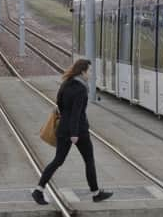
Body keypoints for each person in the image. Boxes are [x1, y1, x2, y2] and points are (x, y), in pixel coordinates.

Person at [32, 59, 113, 205]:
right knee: (89, 160)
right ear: (83, 72)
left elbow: (59, 104)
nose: (90, 74)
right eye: (89, 71)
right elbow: (76, 113)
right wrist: (74, 133)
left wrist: (68, 127)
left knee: (58, 161)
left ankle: (38, 190)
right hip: (79, 131)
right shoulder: (81, 89)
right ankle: (96, 194)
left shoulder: (66, 83)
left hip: (63, 128)